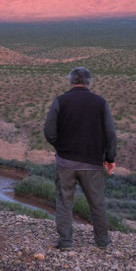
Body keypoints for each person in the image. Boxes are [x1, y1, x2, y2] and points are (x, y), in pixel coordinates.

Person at [43, 67, 117, 249]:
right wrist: (110, 158)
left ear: (70, 81)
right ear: (89, 82)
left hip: (65, 162)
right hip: (92, 163)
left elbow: (49, 132)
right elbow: (111, 134)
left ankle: (66, 242)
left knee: (64, 202)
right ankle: (102, 242)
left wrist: (61, 148)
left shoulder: (60, 101)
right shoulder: (101, 103)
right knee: (97, 203)